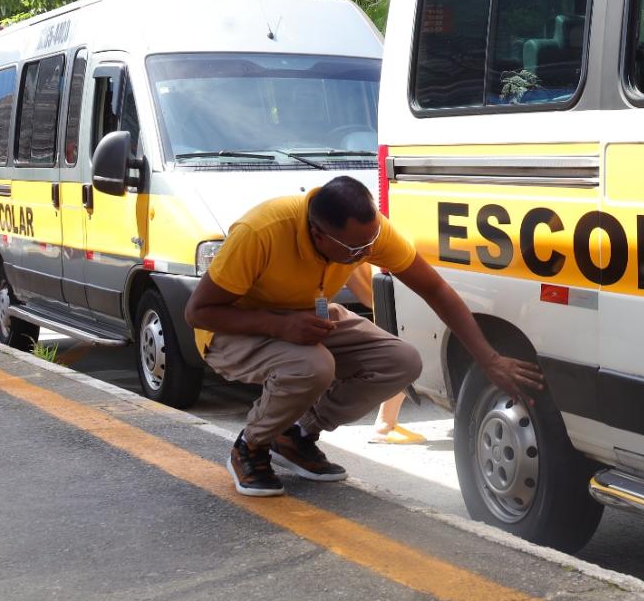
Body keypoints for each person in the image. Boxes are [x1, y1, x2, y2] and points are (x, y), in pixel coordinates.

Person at [185, 176, 543, 497]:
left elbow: (435, 289)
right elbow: (198, 312)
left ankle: (294, 435)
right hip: (233, 327)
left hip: (305, 314)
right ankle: (251, 445)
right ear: (318, 235)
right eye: (355, 251)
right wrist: (279, 326)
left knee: (402, 362)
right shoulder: (261, 231)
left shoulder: (367, 234)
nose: (366, 253)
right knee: (313, 365)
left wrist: (489, 359)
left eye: (370, 243)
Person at [346, 263, 424, 445]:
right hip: (389, 284)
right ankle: (384, 426)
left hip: (381, 282)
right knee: (409, 353)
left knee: (408, 352)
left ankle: (385, 424)